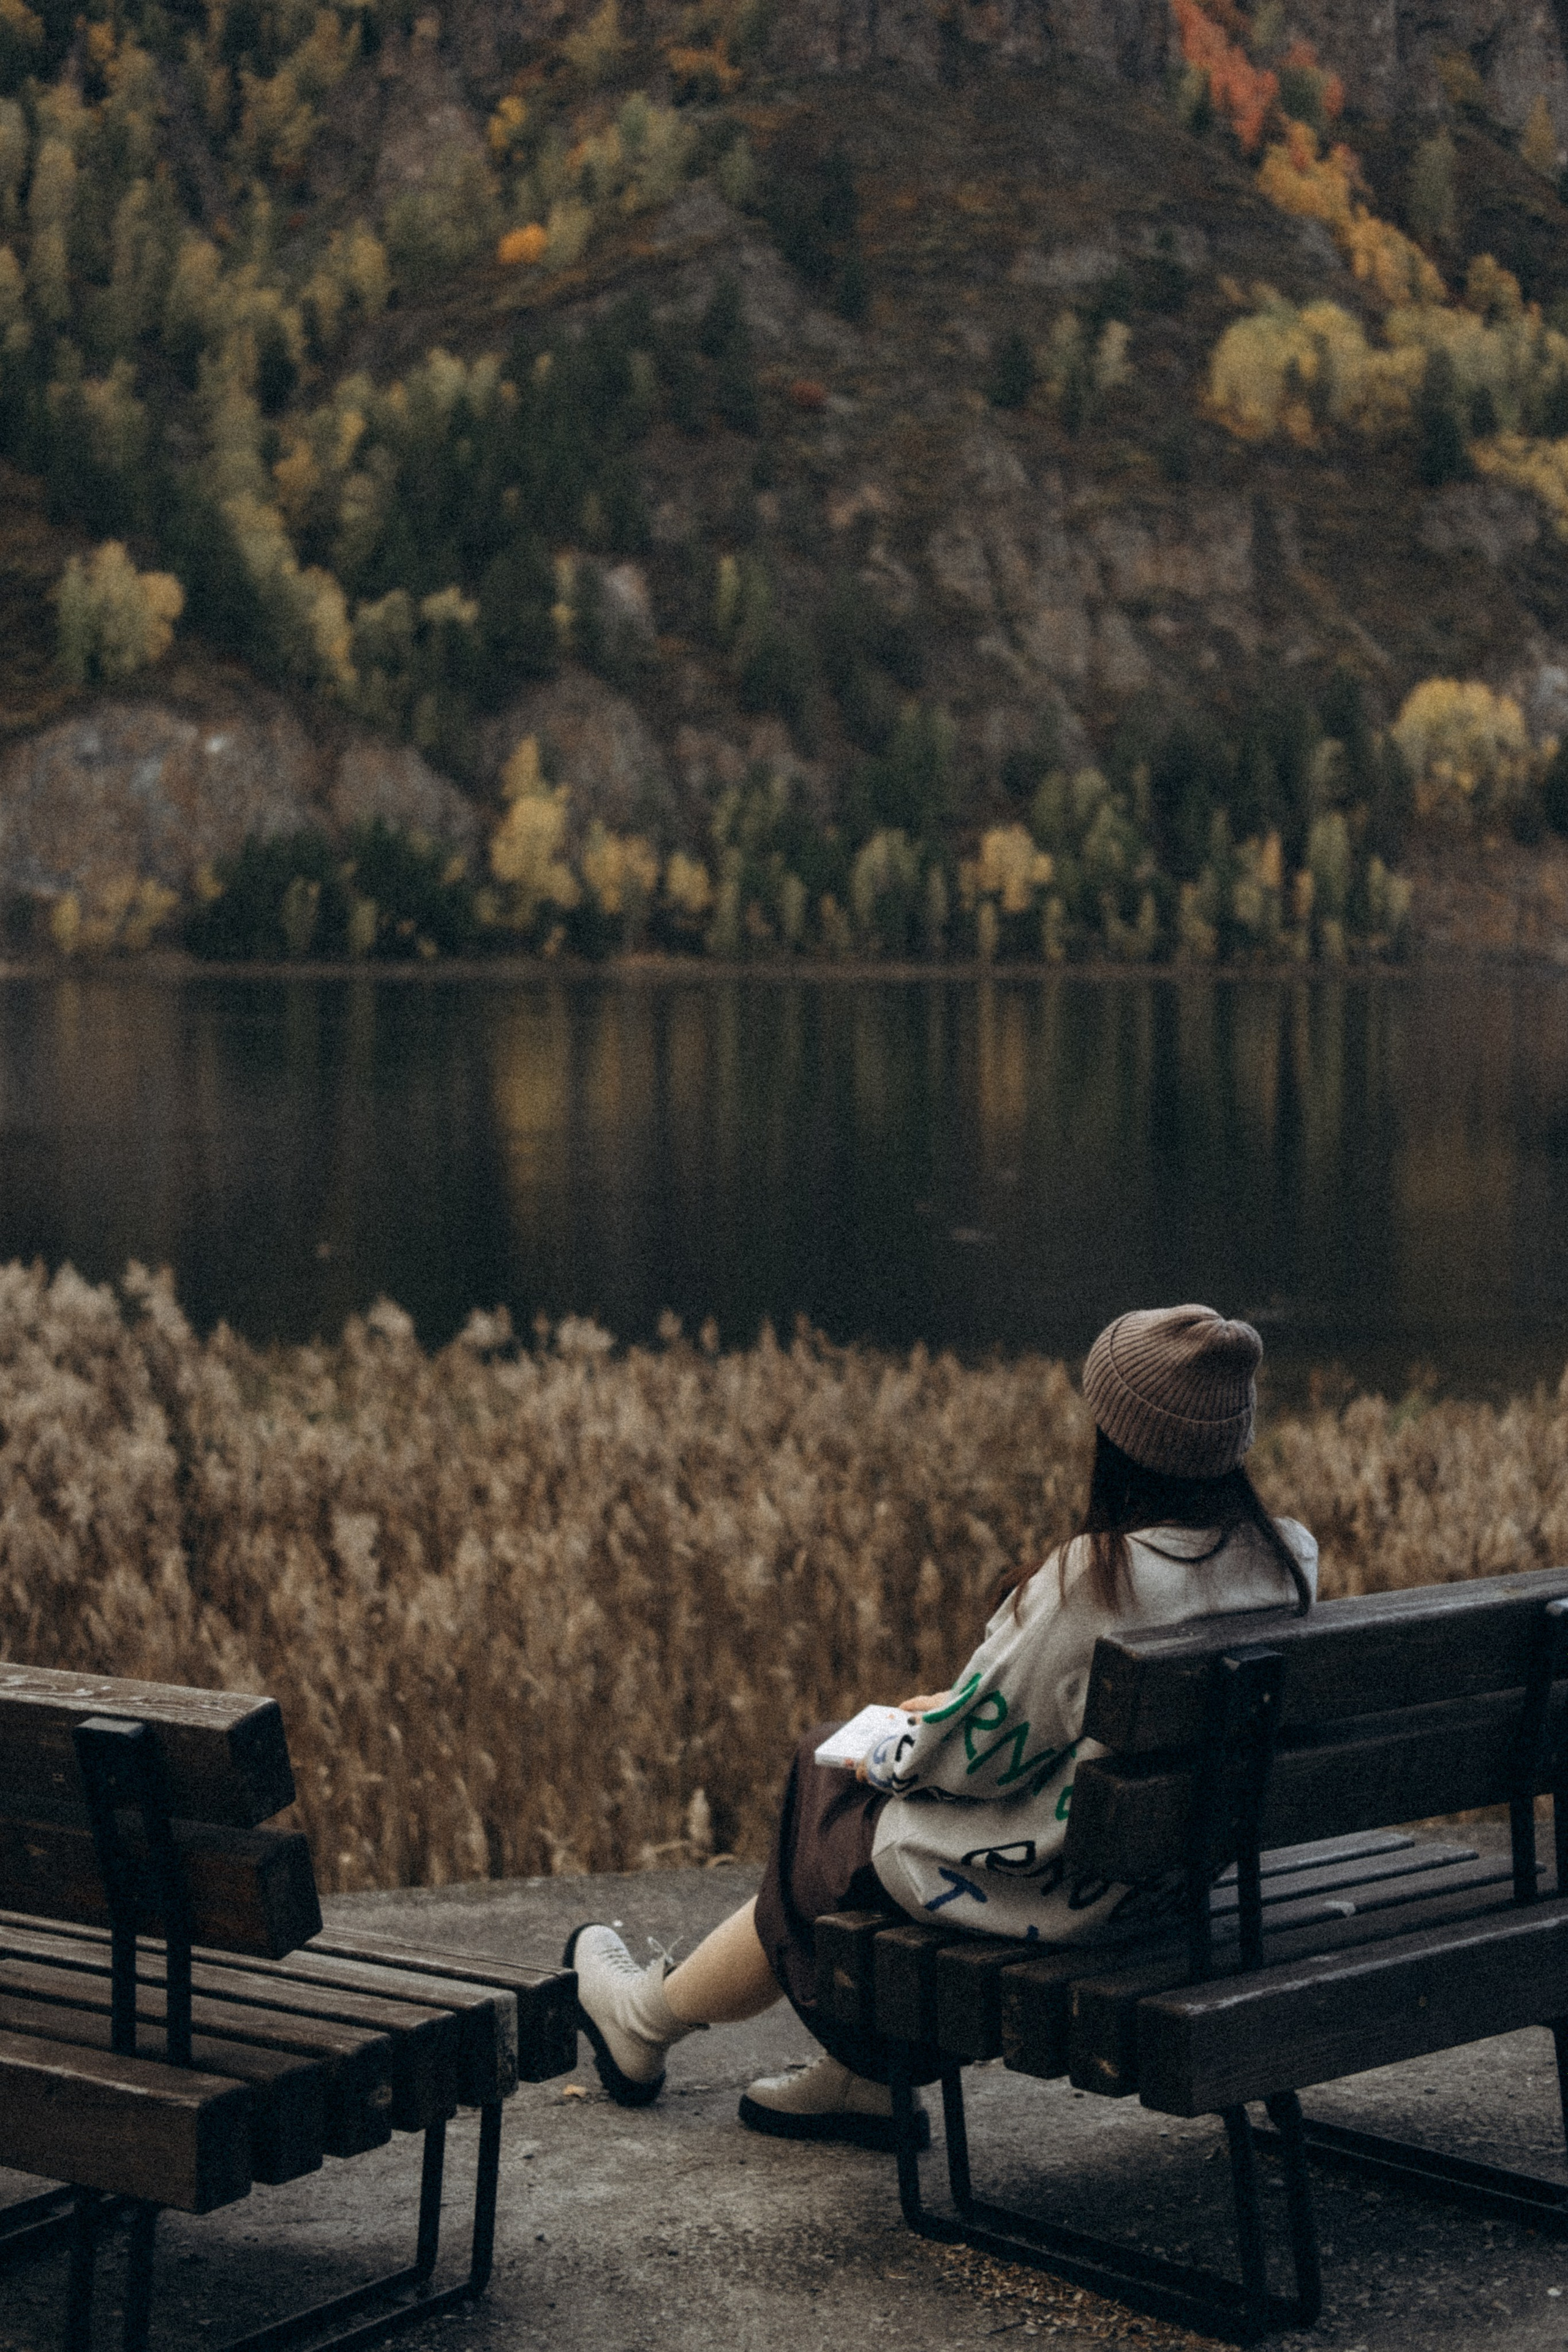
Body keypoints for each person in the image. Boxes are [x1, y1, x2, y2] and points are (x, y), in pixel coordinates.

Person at [565, 1303, 1317, 2150]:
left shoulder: (1097, 1581)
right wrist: (955, 1714)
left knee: (824, 1768)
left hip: (1051, 1892)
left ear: (1118, 1437)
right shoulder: (1287, 1558)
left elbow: (970, 1764)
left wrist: (917, 1730)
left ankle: (652, 2022)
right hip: (1172, 1882)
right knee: (841, 1805)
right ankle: (812, 2068)